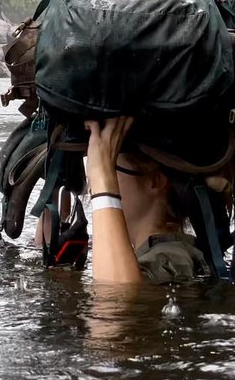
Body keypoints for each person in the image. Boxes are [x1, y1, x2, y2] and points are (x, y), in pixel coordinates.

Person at [38, 115, 211, 285]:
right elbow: (39, 248)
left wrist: (103, 184)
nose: (92, 186)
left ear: (155, 181)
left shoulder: (173, 256)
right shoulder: (152, 254)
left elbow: (117, 304)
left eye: (111, 169)